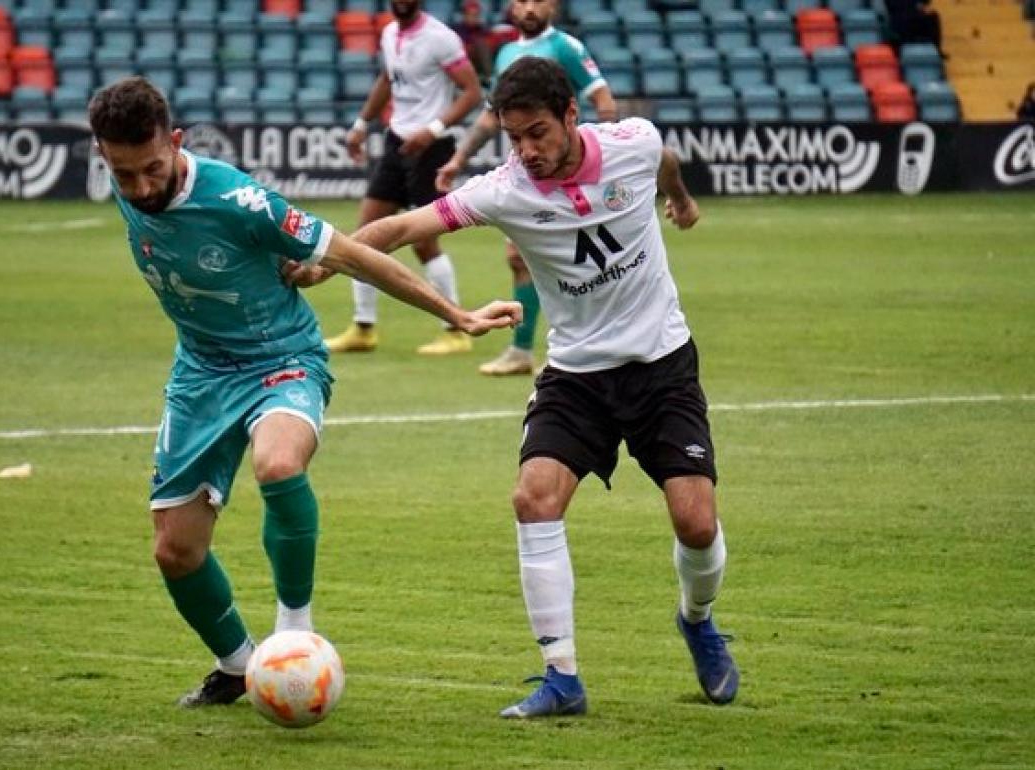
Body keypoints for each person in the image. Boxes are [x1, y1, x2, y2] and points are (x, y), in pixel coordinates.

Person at [289, 57, 739, 717]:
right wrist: (325, 264)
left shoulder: (633, 143)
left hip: (661, 365)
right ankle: (562, 679)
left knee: (695, 523)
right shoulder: (504, 189)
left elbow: (665, 160)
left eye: (537, 134)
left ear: (571, 117)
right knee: (533, 500)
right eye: (513, 137)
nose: (526, 150)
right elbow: (405, 226)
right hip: (576, 376)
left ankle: (697, 619)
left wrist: (680, 198)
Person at [87, 76, 520, 708]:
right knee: (176, 551)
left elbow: (351, 253)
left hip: (281, 360)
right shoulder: (133, 187)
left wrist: (453, 314)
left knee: (278, 462)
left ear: (175, 142)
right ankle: (238, 665)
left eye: (152, 168)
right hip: (200, 374)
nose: (142, 188)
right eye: (124, 176)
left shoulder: (241, 200)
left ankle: (295, 633)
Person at [436, 0, 618, 377]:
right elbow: (491, 117)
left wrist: (605, 156)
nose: (529, 8)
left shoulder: (565, 47)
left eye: (538, 0)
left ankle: (580, 345)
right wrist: (458, 158)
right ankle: (523, 351)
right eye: (521, 1)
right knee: (520, 258)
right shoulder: (507, 52)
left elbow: (603, 101)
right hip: (527, 177)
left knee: (577, 260)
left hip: (567, 176)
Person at [326, 0, 484, 356]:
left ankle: (456, 329)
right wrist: (361, 124)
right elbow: (387, 78)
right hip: (397, 139)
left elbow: (472, 92)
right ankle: (363, 327)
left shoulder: (440, 38)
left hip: (431, 146)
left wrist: (433, 129)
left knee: (424, 243)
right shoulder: (389, 33)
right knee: (363, 234)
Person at [452, 0, 494, 85]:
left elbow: (490, 45)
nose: (474, 18)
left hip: (478, 64)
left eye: (476, 15)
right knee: (479, 45)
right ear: (464, 15)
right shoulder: (456, 30)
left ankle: (489, 78)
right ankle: (489, 78)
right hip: (462, 65)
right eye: (471, 15)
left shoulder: (482, 29)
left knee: (482, 44)